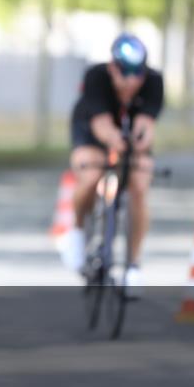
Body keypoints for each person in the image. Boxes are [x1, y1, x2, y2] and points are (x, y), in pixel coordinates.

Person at [66, 33, 164, 298]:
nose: (131, 81)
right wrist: (115, 141)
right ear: (112, 68)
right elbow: (102, 127)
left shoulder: (154, 81)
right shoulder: (96, 77)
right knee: (91, 173)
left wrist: (139, 141)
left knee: (141, 182)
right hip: (92, 129)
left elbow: (146, 125)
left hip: (129, 135)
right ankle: (76, 232)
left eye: (137, 74)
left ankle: (133, 265)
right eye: (125, 73)